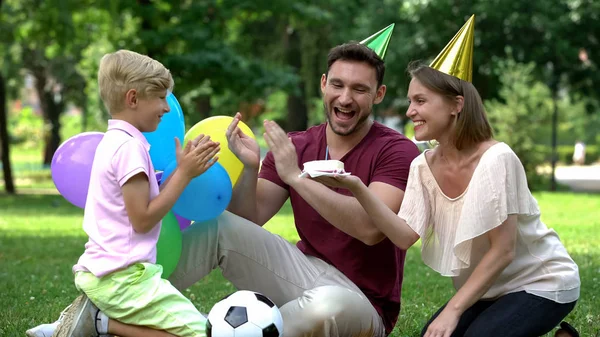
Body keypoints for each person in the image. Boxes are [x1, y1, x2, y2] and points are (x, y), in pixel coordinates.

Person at [28, 39, 420, 336]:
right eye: (338, 85)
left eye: (360, 89)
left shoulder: (395, 150)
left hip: (361, 300)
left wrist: (295, 176)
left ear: (379, 95)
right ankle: (96, 311)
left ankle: (218, 330)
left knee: (327, 306)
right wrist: (251, 169)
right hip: (305, 272)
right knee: (218, 227)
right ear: (323, 85)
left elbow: (371, 229)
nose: (345, 98)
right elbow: (247, 221)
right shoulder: (299, 143)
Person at [312, 16, 580, 337]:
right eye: (411, 101)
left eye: (420, 101)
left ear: (456, 105)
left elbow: (504, 250)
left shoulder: (496, 158)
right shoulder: (422, 165)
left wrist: (453, 310)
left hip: (541, 283)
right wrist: (356, 187)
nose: (410, 111)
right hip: (487, 291)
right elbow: (403, 236)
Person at [37, 49, 220, 337]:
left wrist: (182, 168)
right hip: (123, 279)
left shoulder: (118, 142)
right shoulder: (128, 149)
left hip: (115, 274)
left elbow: (147, 200)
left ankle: (100, 321)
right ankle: (101, 324)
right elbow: (143, 219)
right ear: (133, 99)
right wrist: (184, 175)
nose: (167, 107)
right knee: (201, 332)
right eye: (160, 97)